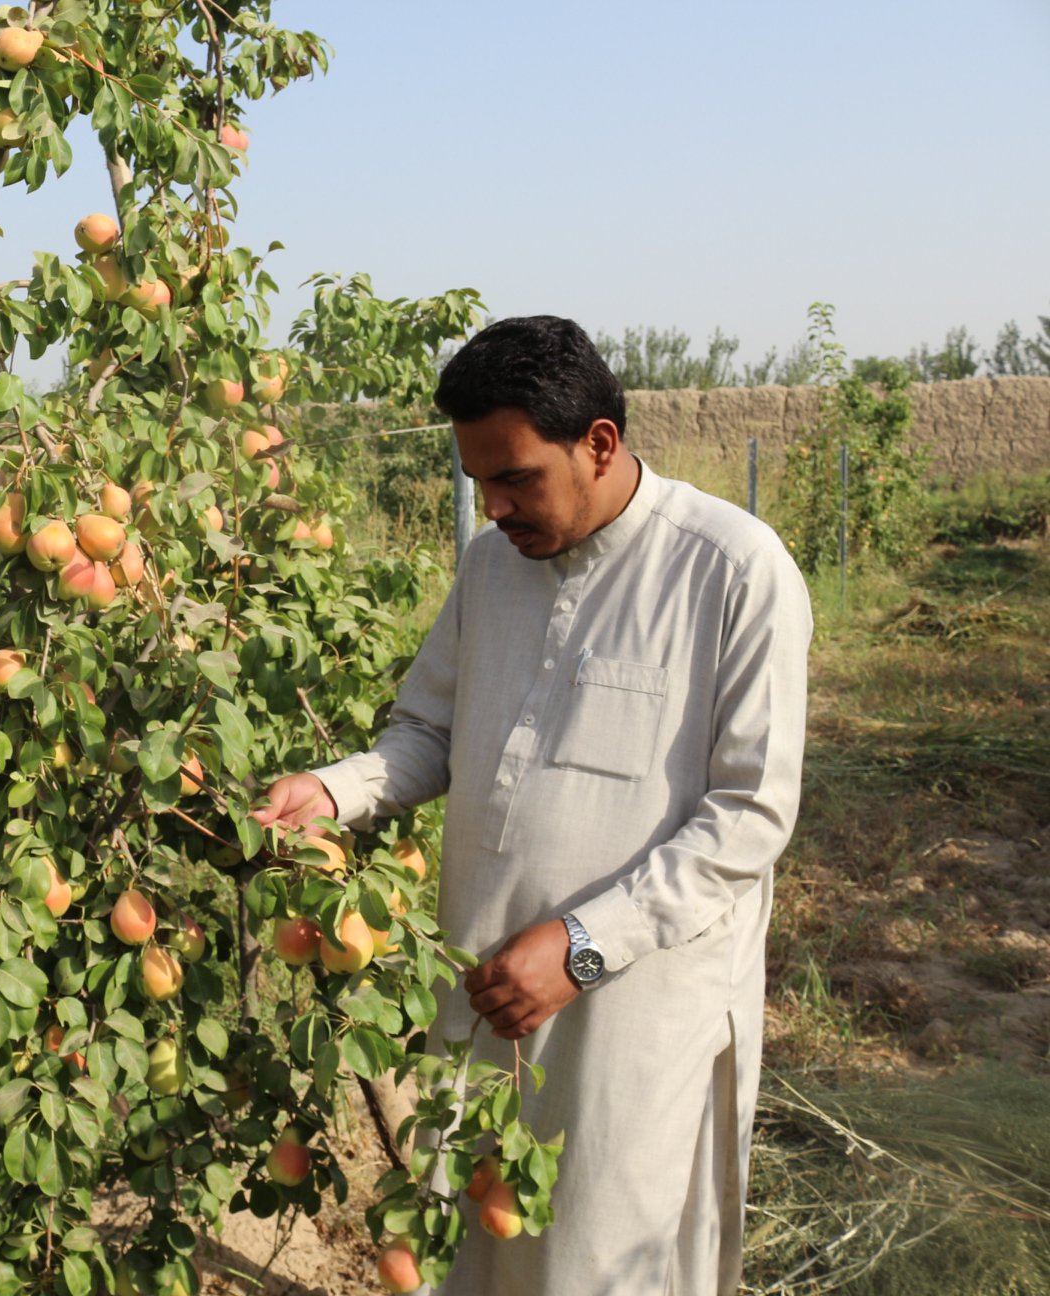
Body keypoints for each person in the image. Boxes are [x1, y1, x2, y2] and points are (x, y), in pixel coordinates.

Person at [255, 316, 811, 1294]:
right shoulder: (490, 568)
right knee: (477, 1242)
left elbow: (750, 817)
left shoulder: (732, 570)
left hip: (637, 1013)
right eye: (479, 483)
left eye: (515, 479)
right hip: (482, 987)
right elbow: (428, 733)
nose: (495, 506)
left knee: (602, 1251)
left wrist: (583, 946)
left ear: (597, 444)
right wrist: (333, 793)